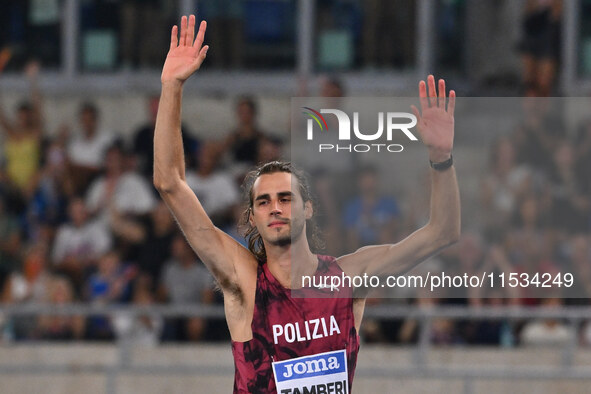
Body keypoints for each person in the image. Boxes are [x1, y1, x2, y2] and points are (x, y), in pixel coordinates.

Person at [154, 15, 460, 393]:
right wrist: (171, 87)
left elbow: (442, 232)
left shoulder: (347, 278)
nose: (275, 207)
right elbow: (170, 183)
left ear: (308, 207)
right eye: (263, 202)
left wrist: (441, 159)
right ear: (251, 218)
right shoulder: (245, 282)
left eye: (285, 197)